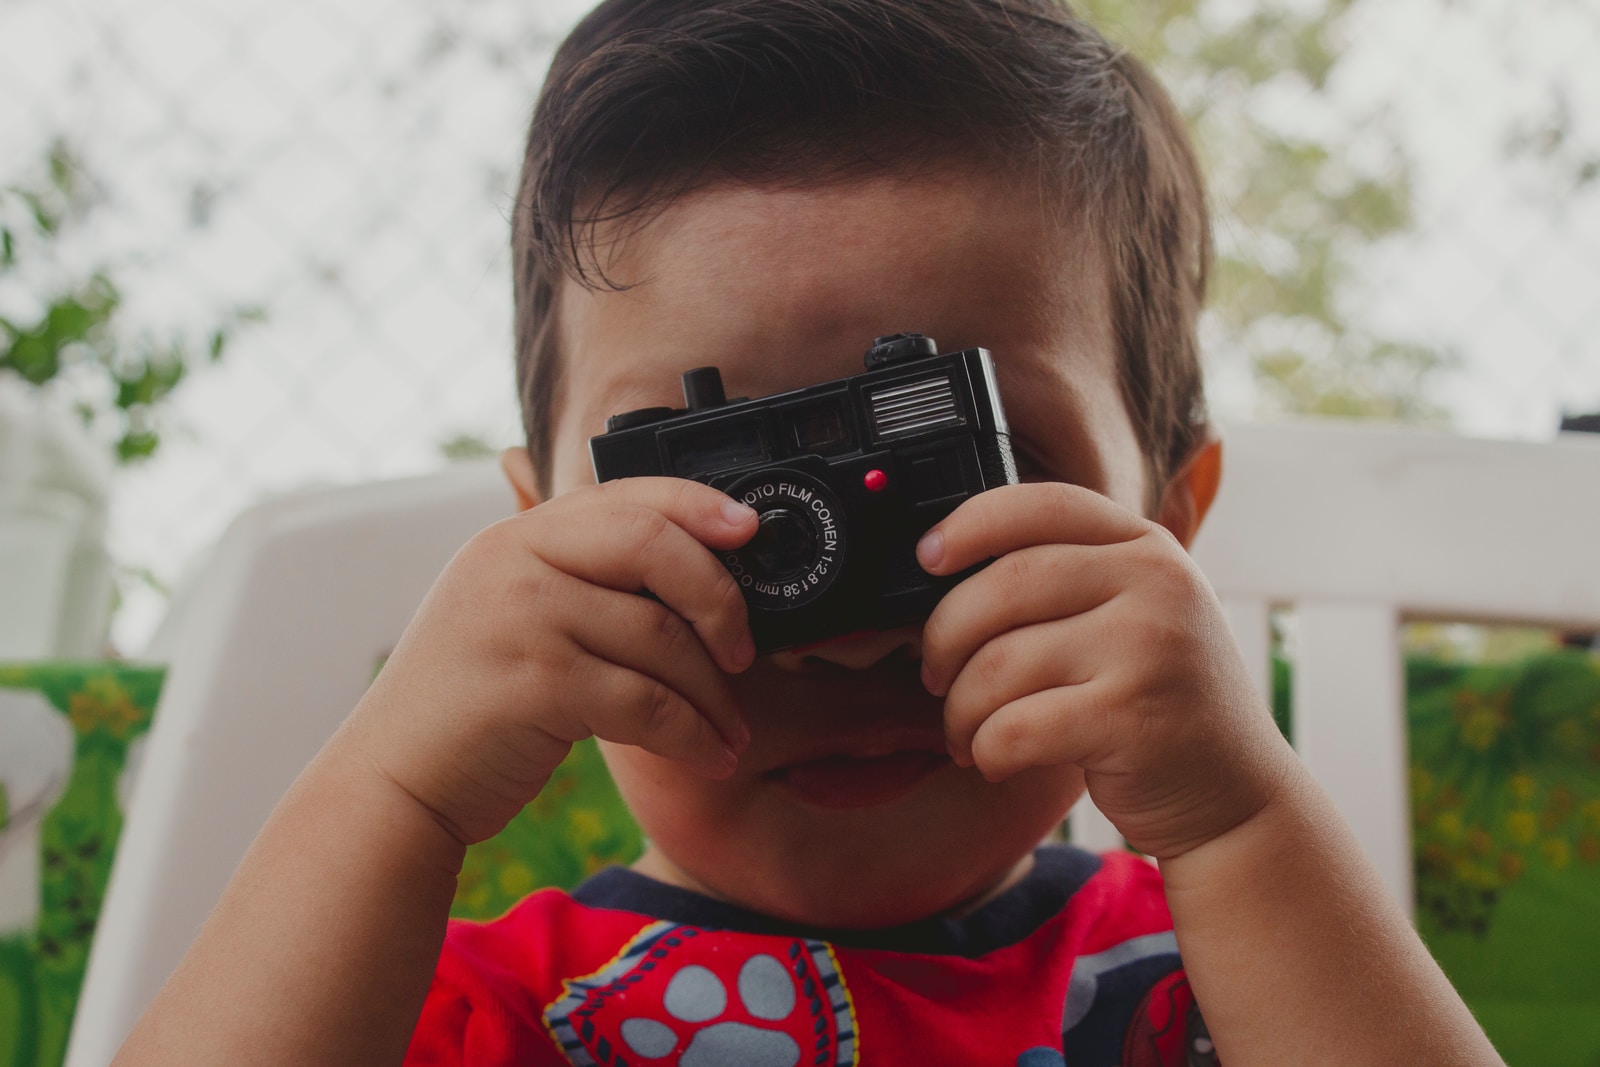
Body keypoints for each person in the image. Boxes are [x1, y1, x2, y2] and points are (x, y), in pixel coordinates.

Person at [112, 1, 1505, 1064]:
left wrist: (1242, 819)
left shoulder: (1231, 980)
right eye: (728, 503)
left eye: (962, 469)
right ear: (543, 539)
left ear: (1170, 527)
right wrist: (394, 793)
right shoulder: (483, 1010)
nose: (847, 631)